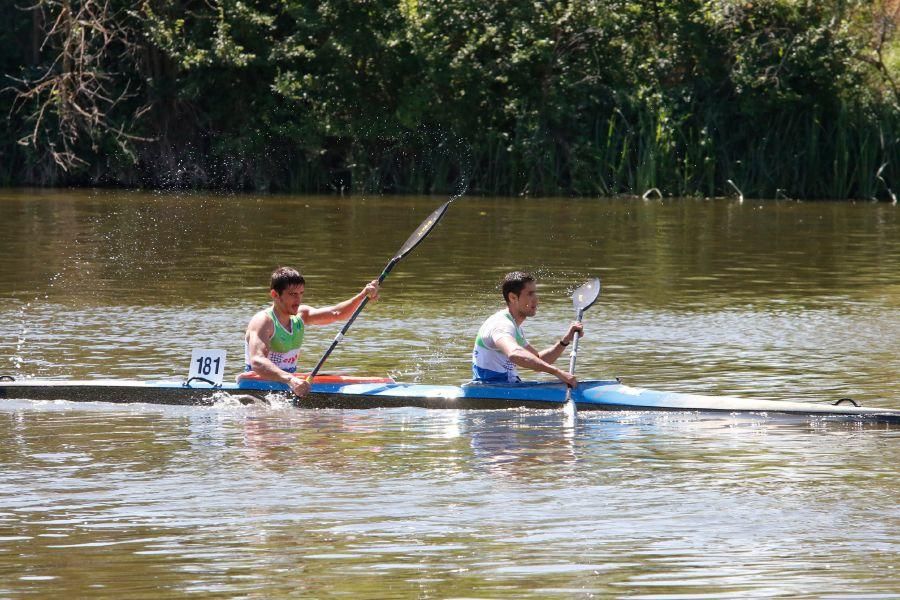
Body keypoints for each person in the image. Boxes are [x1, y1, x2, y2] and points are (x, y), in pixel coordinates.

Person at [238, 266, 380, 397]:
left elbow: (337, 313)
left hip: (288, 384)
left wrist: (362, 295)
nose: (298, 299)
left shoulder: (301, 315)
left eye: (301, 293)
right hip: (256, 386)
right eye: (293, 294)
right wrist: (291, 379)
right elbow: (257, 361)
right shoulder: (263, 321)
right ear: (275, 295)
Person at [472, 271, 583, 386]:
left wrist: (565, 341)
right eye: (530, 294)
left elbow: (538, 360)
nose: (536, 299)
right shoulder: (501, 325)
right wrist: (557, 372)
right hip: (490, 391)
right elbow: (515, 354)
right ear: (513, 297)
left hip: (505, 388)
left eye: (535, 293)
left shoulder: (514, 327)